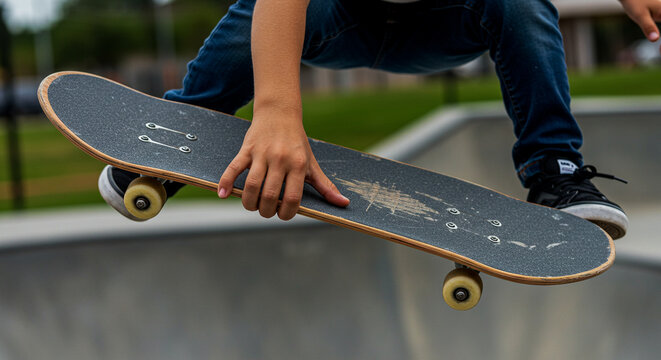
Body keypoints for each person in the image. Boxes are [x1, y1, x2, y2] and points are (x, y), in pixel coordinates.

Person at [99, 0, 656, 240]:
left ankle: (555, 171)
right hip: (340, 18)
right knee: (257, 10)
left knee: (522, 2)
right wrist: (275, 114)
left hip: (450, 21)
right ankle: (175, 138)